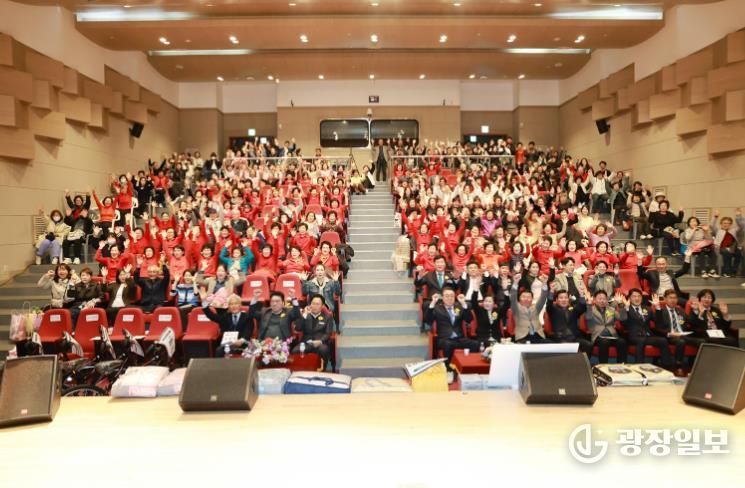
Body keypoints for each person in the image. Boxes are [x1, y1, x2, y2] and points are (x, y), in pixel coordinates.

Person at [617, 289, 674, 370]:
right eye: (634, 296)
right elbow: (624, 323)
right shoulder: (627, 308)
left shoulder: (647, 309)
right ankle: (639, 367)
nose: (637, 298)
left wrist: (657, 307)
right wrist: (626, 308)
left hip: (647, 336)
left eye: (639, 296)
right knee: (641, 340)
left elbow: (659, 323)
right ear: (629, 298)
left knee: (663, 340)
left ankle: (667, 366)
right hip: (633, 336)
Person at [424, 287, 478, 367]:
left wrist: (463, 304)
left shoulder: (459, 307)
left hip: (459, 338)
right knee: (448, 344)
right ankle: (448, 368)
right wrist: (433, 303)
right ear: (442, 297)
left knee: (475, 344)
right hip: (444, 339)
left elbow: (469, 319)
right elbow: (428, 320)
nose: (449, 298)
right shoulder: (437, 308)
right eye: (447, 296)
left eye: (452, 296)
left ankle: (469, 366)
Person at [653, 289, 697, 376]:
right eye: (670, 298)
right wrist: (670, 333)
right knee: (681, 341)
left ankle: (696, 365)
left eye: (675, 298)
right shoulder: (661, 311)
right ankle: (678, 367)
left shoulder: (680, 310)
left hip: (682, 335)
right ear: (665, 299)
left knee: (701, 341)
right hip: (669, 336)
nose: (673, 300)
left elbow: (692, 322)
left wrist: (695, 311)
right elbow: (658, 326)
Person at [584, 289, 628, 363]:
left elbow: (623, 318)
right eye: (600, 298)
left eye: (604, 299)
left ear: (607, 300)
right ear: (594, 300)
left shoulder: (611, 309)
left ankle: (621, 365)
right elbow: (588, 317)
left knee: (622, 342)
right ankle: (603, 365)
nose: (602, 301)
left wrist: (620, 305)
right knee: (604, 342)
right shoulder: (590, 309)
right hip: (598, 336)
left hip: (612, 335)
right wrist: (589, 304)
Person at [546, 288, 592, 358]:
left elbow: (582, 307)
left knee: (588, 345)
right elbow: (549, 304)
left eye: (566, 298)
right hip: (560, 338)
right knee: (570, 350)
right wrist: (551, 292)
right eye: (561, 298)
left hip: (574, 338)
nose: (564, 300)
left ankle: (585, 363)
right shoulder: (553, 309)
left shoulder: (572, 309)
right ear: (556, 300)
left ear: (568, 299)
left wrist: (581, 295)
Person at [293, 294, 335, 365]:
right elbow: (298, 328)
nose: (315, 306)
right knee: (295, 351)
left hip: (320, 343)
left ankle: (322, 369)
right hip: (305, 343)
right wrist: (305, 315)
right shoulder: (305, 315)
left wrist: (320, 341)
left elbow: (328, 333)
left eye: (317, 304)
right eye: (313, 303)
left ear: (322, 306)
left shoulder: (327, 317)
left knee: (324, 350)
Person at [509, 270, 550, 343]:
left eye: (529, 297)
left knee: (551, 345)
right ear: (519, 299)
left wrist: (544, 284)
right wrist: (515, 283)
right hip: (523, 337)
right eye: (524, 297)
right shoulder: (516, 308)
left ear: (532, 299)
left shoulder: (536, 308)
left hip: (538, 336)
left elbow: (543, 298)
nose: (526, 299)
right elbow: (513, 297)